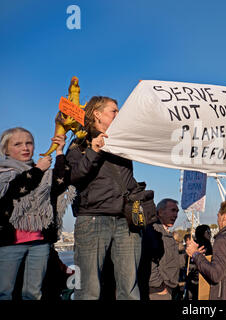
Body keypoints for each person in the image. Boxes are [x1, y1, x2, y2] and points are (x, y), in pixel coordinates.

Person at [66, 96, 142, 300]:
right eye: (114, 111)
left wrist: (146, 98)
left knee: (130, 288)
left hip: (127, 220)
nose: (118, 115)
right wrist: (94, 150)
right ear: (97, 114)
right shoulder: (79, 144)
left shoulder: (123, 141)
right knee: (87, 290)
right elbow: (74, 176)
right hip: (93, 218)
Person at [0, 128, 72, 300]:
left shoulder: (43, 173)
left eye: (29, 143)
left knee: (33, 294)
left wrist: (60, 151)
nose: (25, 147)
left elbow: (61, 183)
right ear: (6, 150)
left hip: (39, 242)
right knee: (4, 292)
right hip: (9, 243)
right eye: (18, 144)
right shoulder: (3, 173)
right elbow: (14, 190)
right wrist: (38, 170)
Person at [141, 198, 182, 300]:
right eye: (173, 210)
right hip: (158, 292)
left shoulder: (167, 233)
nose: (176, 215)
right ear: (160, 212)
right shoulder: (154, 231)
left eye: (177, 211)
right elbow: (148, 262)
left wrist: (189, 256)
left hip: (169, 289)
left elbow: (170, 260)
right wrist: (159, 287)